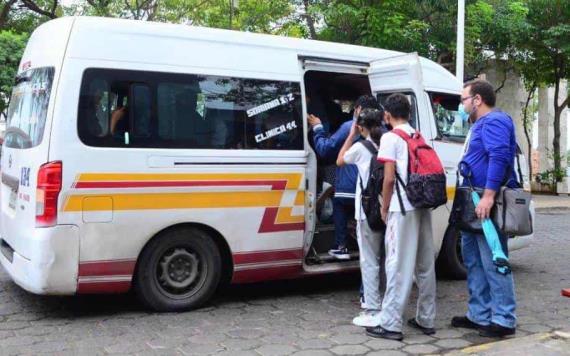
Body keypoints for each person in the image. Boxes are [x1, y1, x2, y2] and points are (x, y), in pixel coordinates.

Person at [366, 93, 437, 341]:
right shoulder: (417, 135)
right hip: (423, 205)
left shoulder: (390, 138)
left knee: (397, 265)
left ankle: (391, 324)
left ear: (387, 115)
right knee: (425, 264)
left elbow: (388, 178)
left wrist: (384, 207)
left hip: (402, 207)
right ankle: (426, 319)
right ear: (408, 113)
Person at [451, 79, 518, 338]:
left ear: (477, 99)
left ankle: (503, 318)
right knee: (474, 260)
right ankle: (478, 314)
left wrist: (489, 196)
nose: (461, 104)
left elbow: (499, 157)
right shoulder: (481, 123)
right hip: (471, 200)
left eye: (463, 99)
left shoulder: (495, 121)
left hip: (483, 201)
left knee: (493, 260)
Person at [308, 95, 380, 260]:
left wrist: (318, 129)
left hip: (348, 187)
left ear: (357, 110)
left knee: (339, 202)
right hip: (371, 191)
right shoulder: (382, 131)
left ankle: (341, 245)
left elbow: (325, 150)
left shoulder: (351, 127)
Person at [337, 108, 386, 327]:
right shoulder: (388, 143)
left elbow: (340, 160)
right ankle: (386, 305)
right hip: (387, 209)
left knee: (369, 260)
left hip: (367, 211)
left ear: (360, 127)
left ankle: (372, 308)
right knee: (387, 260)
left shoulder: (359, 147)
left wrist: (350, 135)